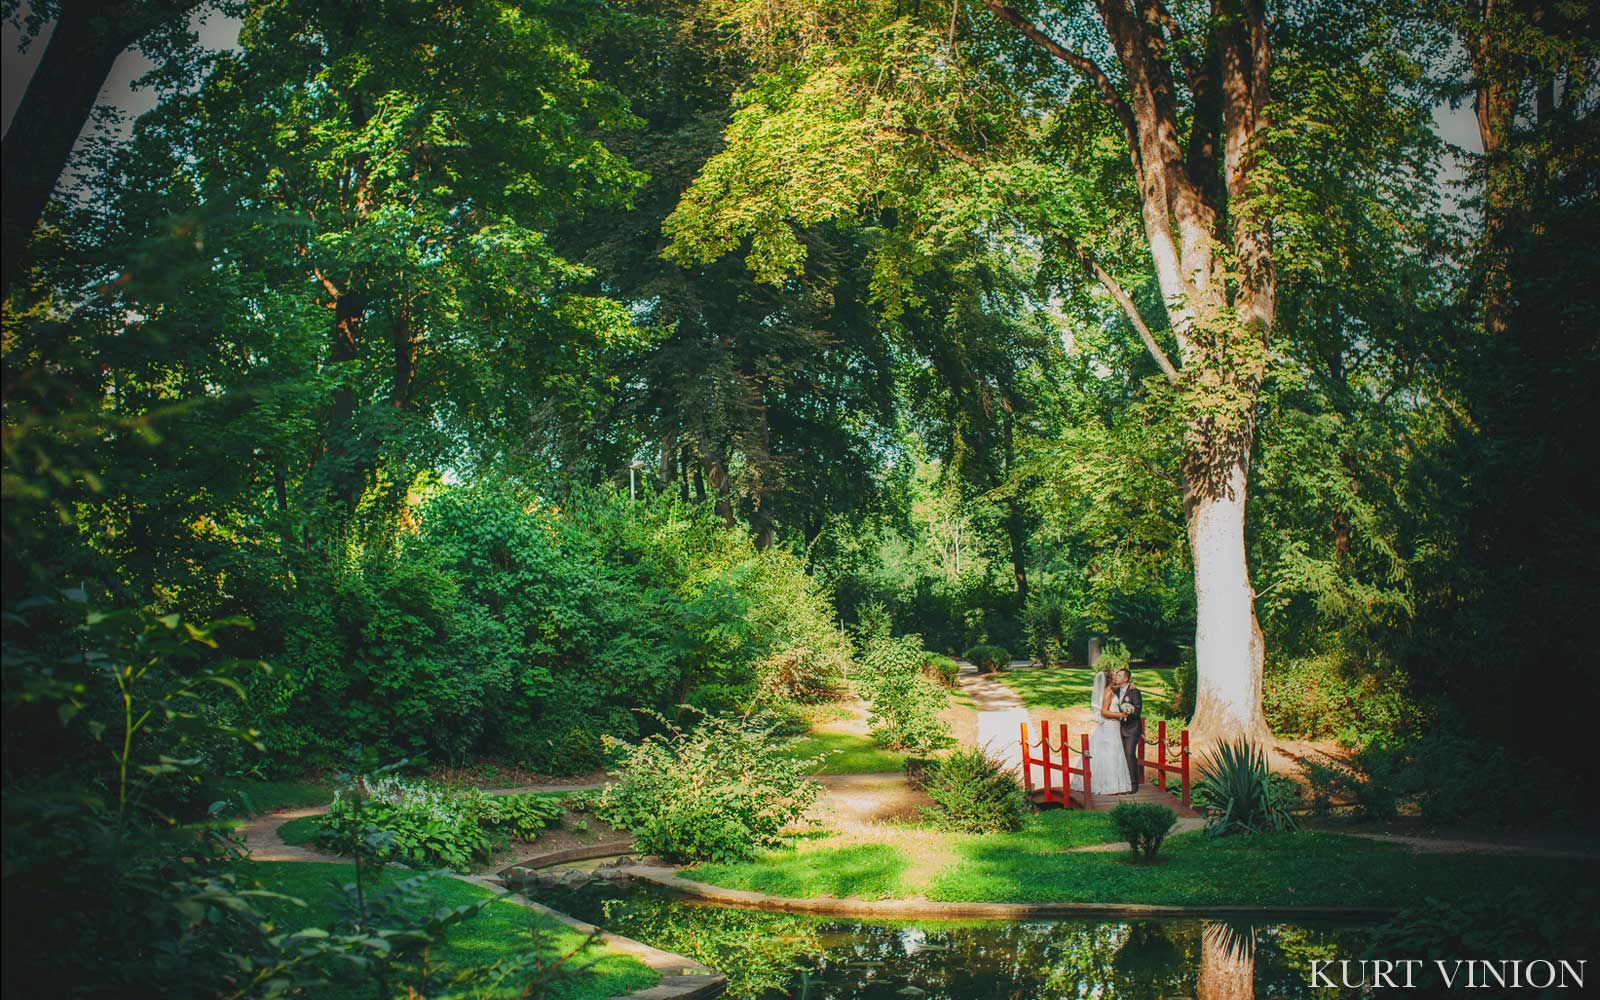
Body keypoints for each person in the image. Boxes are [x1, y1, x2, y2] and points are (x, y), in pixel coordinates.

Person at [1072, 668, 1133, 795]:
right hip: (1110, 726)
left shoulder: (1110, 690)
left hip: (1113, 727)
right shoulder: (1107, 693)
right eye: (1115, 676)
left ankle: (1115, 784)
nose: (1117, 677)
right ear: (1110, 680)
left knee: (1112, 753)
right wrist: (1120, 715)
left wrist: (1132, 685)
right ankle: (1109, 785)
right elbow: (1104, 712)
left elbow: (1123, 689)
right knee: (1110, 753)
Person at [1114, 667, 1144, 791]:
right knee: (1119, 755)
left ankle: (1133, 784)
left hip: (1132, 729)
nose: (1117, 677)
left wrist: (1127, 713)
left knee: (1129, 754)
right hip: (1117, 728)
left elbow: (1137, 710)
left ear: (1126, 678)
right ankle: (1123, 781)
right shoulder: (1114, 691)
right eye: (1116, 675)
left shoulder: (1134, 692)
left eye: (1119, 676)